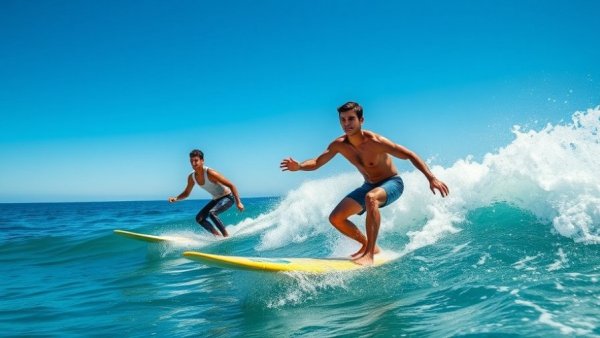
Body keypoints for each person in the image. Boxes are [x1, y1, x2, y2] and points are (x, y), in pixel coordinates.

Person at [280, 102, 449, 265]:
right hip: (368, 185)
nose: (347, 123)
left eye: (351, 119)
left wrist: (431, 178)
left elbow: (410, 154)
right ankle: (370, 246)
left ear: (361, 120)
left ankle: (369, 255)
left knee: (371, 198)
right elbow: (317, 162)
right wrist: (300, 166)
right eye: (343, 120)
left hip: (392, 183)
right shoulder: (339, 145)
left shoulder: (376, 142)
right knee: (336, 218)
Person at [169, 149, 244, 237]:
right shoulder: (191, 177)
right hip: (216, 199)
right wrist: (176, 198)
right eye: (191, 161)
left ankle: (226, 236)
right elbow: (186, 193)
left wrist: (238, 202)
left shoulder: (210, 173)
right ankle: (217, 236)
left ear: (202, 161)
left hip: (228, 197)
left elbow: (232, 185)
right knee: (199, 218)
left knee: (212, 213)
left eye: (196, 160)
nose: (193, 163)